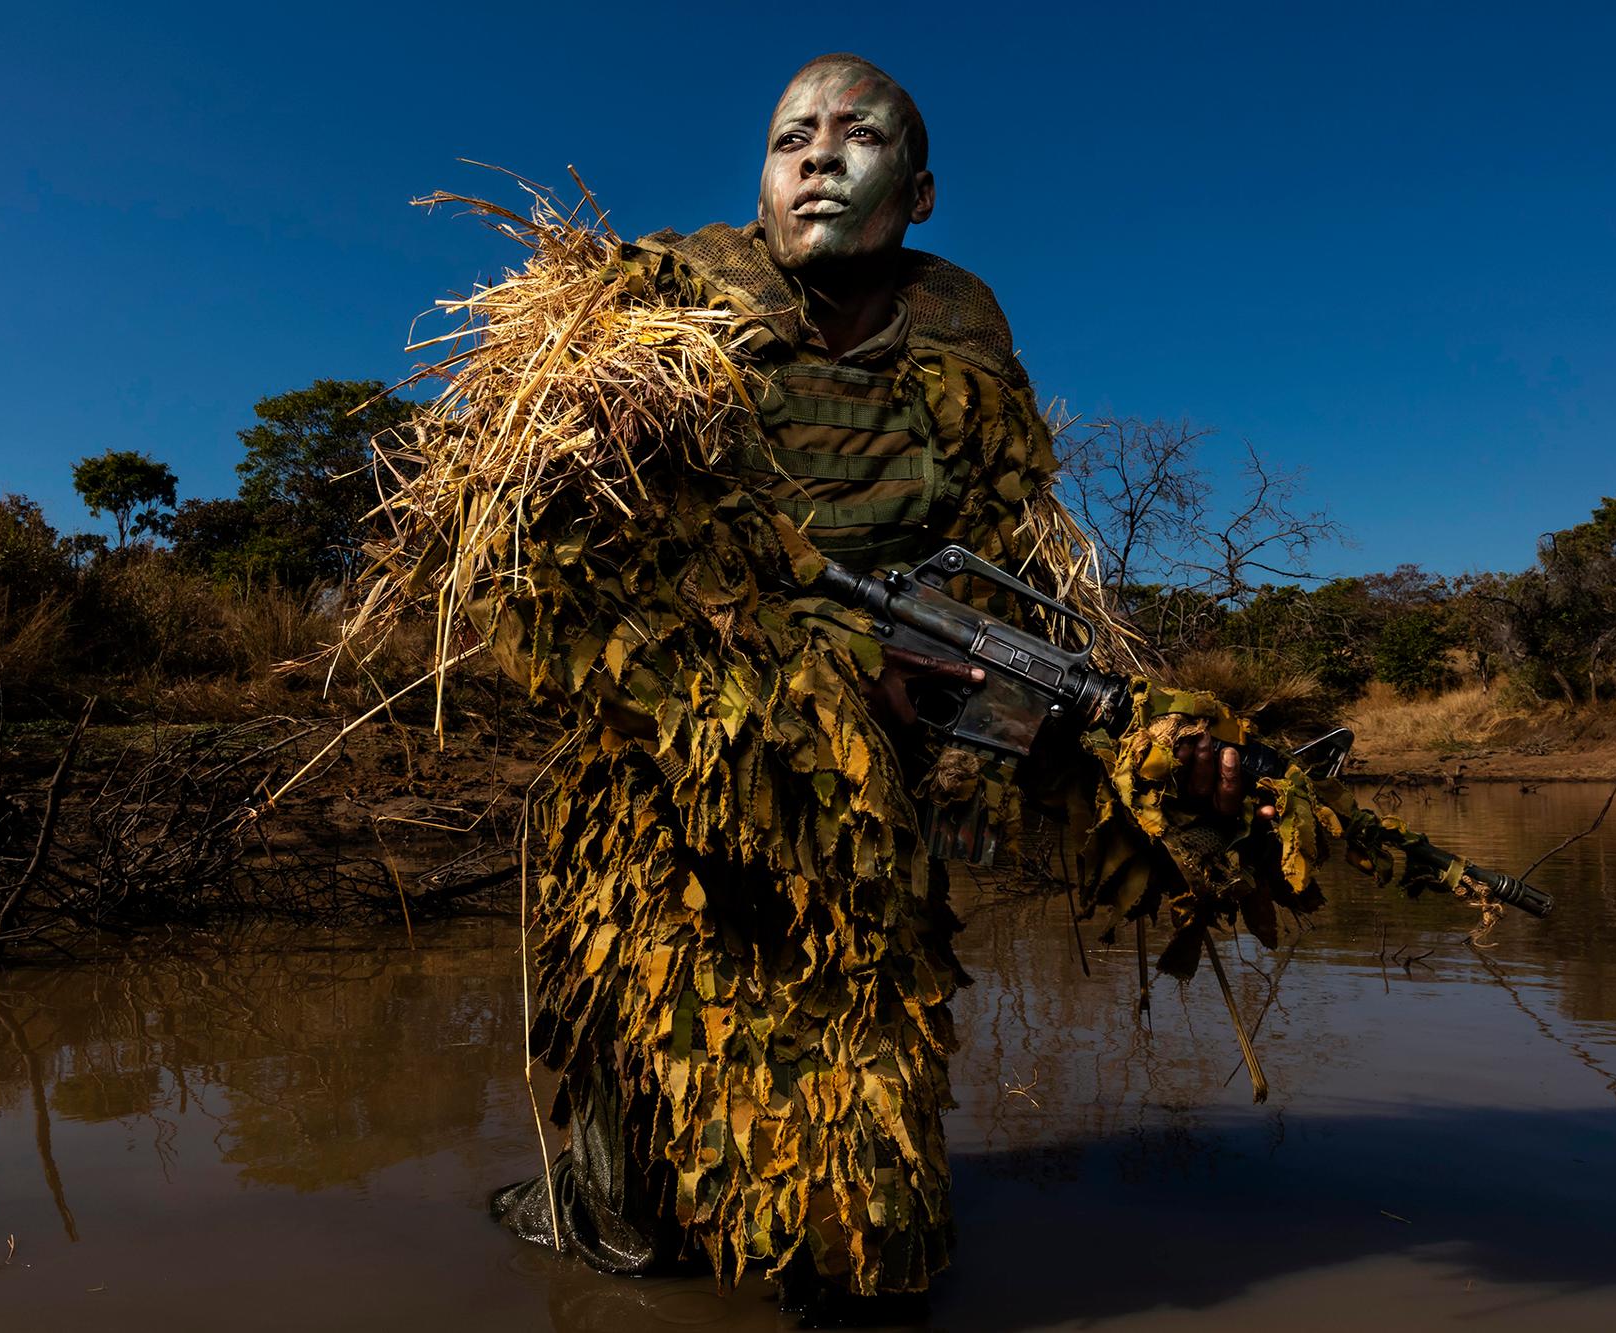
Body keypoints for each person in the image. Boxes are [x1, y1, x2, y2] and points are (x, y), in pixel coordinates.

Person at [480, 53, 1251, 1311]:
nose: (821, 154)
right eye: (793, 135)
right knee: (637, 1143)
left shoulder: (961, 349)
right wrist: (814, 663)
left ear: (922, 189)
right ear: (764, 174)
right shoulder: (656, 314)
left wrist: (1144, 764)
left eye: (860, 135)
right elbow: (557, 576)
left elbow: (1006, 615)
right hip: (664, 792)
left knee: (856, 1167)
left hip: (867, 811)